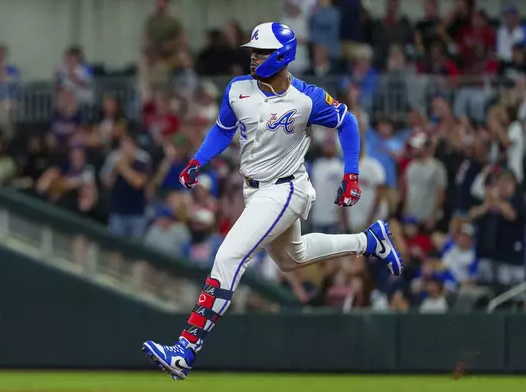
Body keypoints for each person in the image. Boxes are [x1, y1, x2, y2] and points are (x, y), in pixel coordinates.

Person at [142, 22, 404, 380]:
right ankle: (369, 241)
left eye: (261, 52)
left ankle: (186, 348)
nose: (254, 57)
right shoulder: (238, 90)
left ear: (281, 56)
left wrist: (352, 173)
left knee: (229, 255)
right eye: (253, 51)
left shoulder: (305, 97)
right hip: (255, 189)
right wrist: (197, 161)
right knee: (291, 258)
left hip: (286, 188)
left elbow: (348, 122)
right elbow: (222, 130)